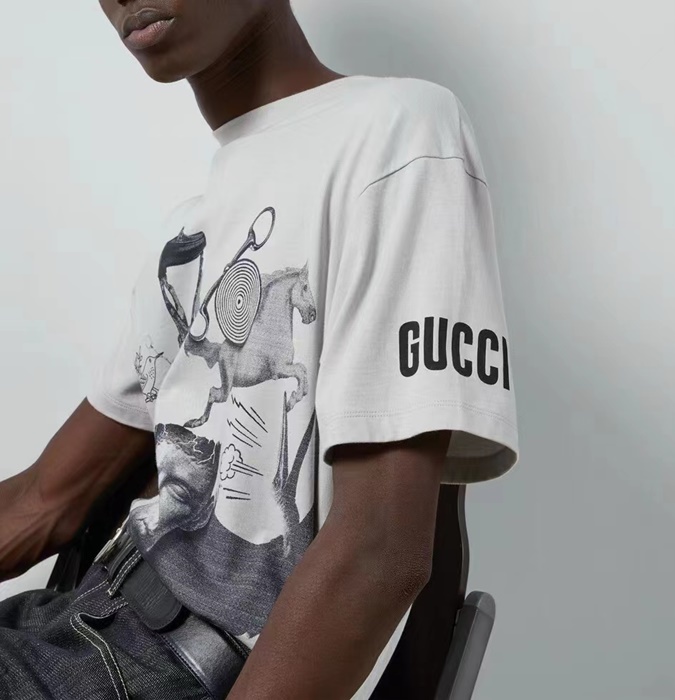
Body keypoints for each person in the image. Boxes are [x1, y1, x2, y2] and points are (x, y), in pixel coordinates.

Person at [0, 0, 520, 698]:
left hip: (161, 670)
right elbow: (42, 501)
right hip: (65, 625)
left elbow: (381, 553)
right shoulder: (187, 235)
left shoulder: (399, 131)